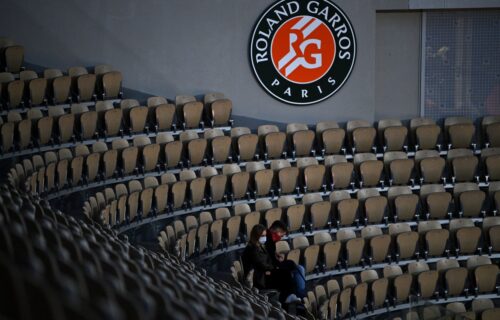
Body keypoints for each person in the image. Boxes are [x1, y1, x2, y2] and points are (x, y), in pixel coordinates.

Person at [241, 224, 300, 304]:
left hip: (264, 273)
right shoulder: (252, 249)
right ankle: (286, 298)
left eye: (265, 235)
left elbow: (268, 260)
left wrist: (274, 265)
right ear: (256, 236)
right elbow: (261, 265)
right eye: (262, 236)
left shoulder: (260, 246)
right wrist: (275, 269)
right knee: (285, 274)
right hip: (259, 278)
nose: (264, 238)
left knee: (287, 269)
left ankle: (288, 296)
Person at [265, 221, 306, 299]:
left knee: (299, 268)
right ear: (277, 230)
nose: (280, 237)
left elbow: (270, 254)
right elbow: (271, 262)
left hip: (273, 266)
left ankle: (299, 295)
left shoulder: (269, 238)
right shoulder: (267, 240)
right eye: (281, 234)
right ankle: (300, 296)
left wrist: (275, 254)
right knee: (295, 267)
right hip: (269, 272)